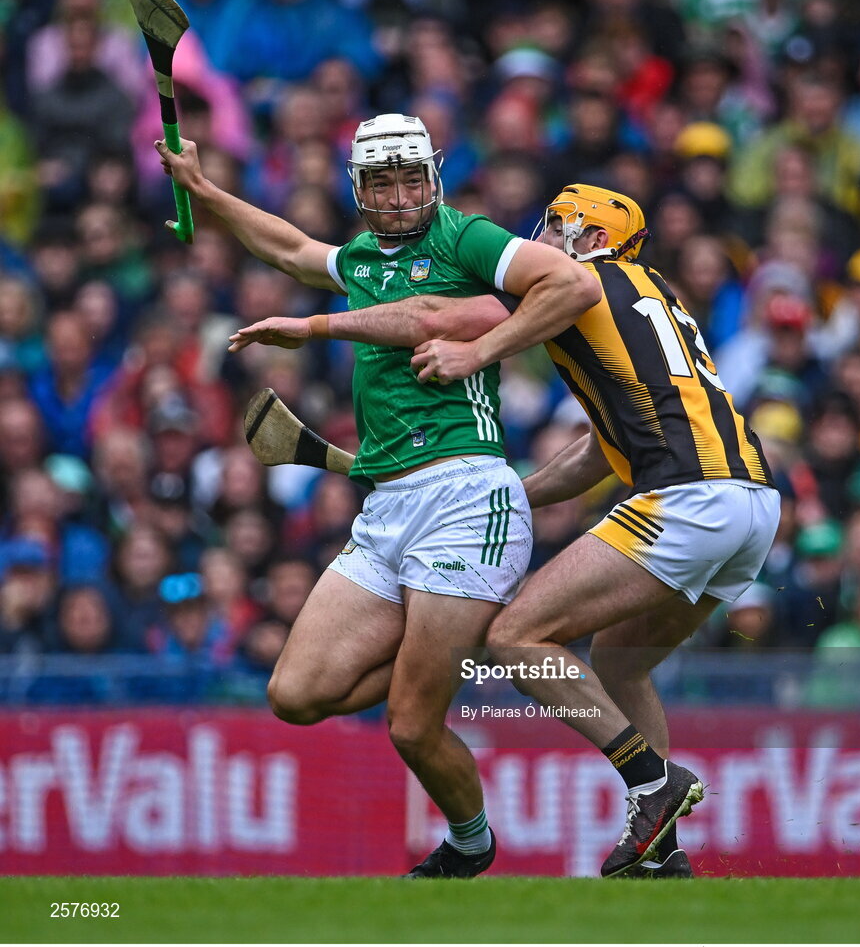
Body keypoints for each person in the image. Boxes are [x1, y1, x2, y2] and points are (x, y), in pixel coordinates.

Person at [231, 184, 780, 877]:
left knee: (517, 636)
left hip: (687, 500)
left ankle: (652, 781)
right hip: (752, 504)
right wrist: (519, 493)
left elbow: (446, 313)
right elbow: (597, 448)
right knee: (621, 665)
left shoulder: (576, 283)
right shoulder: (651, 293)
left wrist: (470, 352)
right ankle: (657, 850)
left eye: (556, 225)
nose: (540, 237)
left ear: (588, 238)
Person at [156, 114, 599, 879]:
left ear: (433, 175)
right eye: (382, 182)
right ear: (359, 189)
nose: (399, 197)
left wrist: (478, 349)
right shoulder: (361, 257)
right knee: (294, 695)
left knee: (408, 725)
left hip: (465, 494)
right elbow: (290, 248)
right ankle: (442, 641)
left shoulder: (466, 240)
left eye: (410, 177)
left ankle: (470, 844)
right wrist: (204, 190)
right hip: (385, 509)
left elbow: (571, 283)